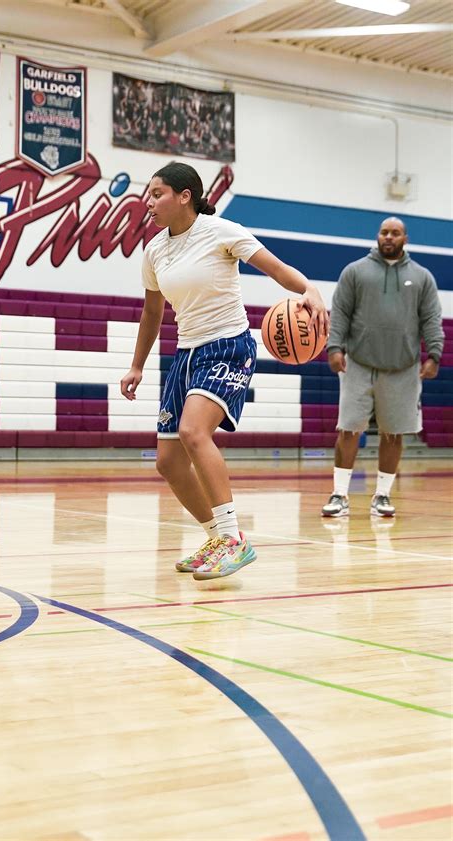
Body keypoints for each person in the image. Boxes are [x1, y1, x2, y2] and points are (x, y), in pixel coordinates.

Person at [121, 161, 329, 579]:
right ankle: (216, 537)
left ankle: (234, 541)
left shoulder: (222, 232)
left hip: (228, 347)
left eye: (157, 194)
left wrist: (309, 289)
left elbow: (276, 269)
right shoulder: (155, 250)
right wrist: (136, 365)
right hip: (186, 353)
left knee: (193, 432)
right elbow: (152, 312)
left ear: (185, 196)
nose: (149, 202)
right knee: (168, 462)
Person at [322, 216, 444, 519]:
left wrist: (434, 354)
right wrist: (334, 347)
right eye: (384, 232)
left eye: (395, 233)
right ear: (378, 236)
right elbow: (340, 313)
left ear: (405, 239)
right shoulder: (355, 271)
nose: (388, 237)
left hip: (403, 367)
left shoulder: (422, 277)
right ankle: (339, 494)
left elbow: (431, 318)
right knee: (348, 429)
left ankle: (382, 495)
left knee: (394, 434)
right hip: (358, 364)